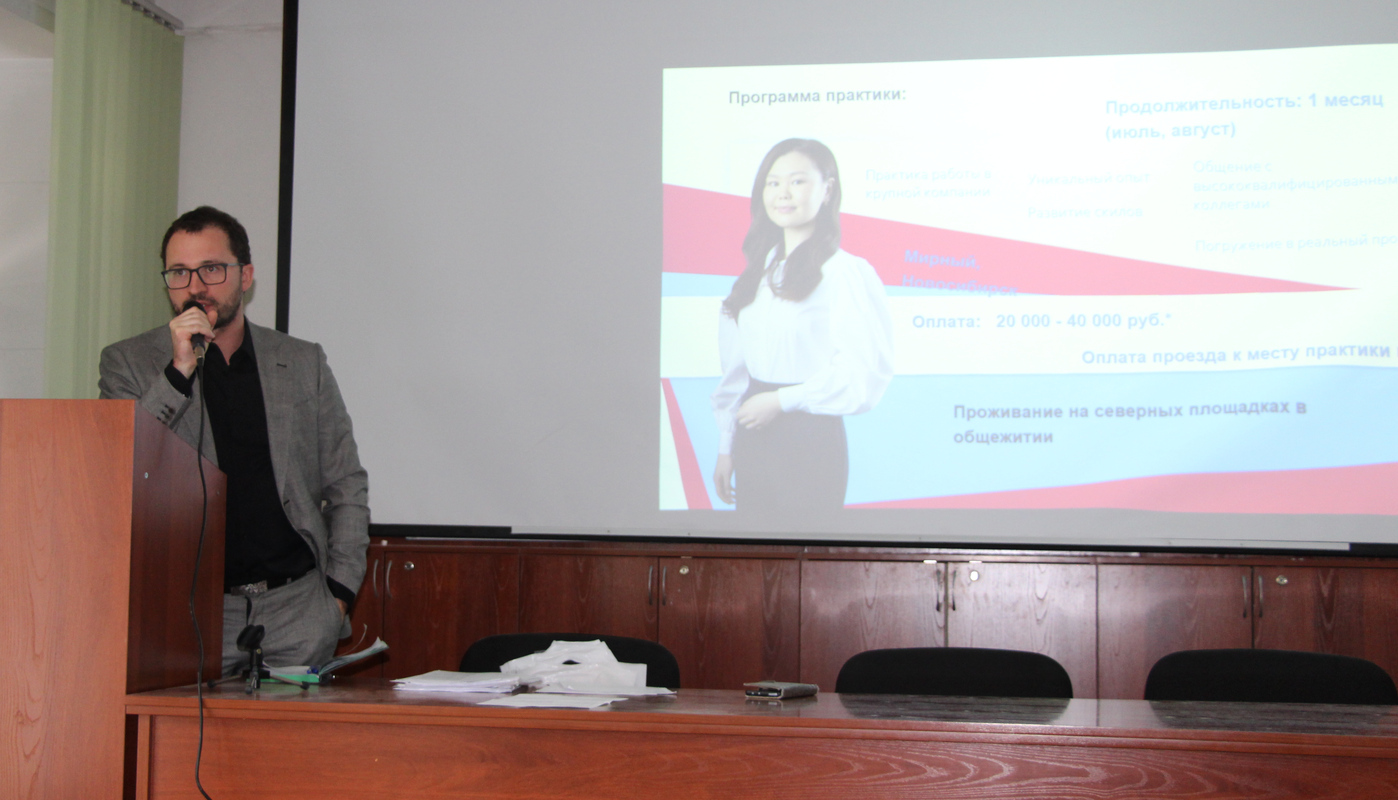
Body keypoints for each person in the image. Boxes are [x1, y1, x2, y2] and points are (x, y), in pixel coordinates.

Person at [99, 206, 369, 675]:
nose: (194, 286)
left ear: (245, 276)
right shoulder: (128, 364)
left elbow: (345, 482)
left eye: (211, 269)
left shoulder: (301, 362)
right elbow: (121, 469)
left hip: (299, 610)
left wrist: (338, 595)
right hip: (189, 611)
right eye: (179, 272)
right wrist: (178, 372)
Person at [710, 139, 894, 517]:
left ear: (827, 190)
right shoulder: (757, 274)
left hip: (809, 437)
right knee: (755, 550)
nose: (783, 193)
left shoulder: (844, 273)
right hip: (753, 435)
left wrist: (781, 401)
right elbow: (736, 373)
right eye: (773, 183)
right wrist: (726, 447)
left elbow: (862, 373)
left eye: (797, 181)